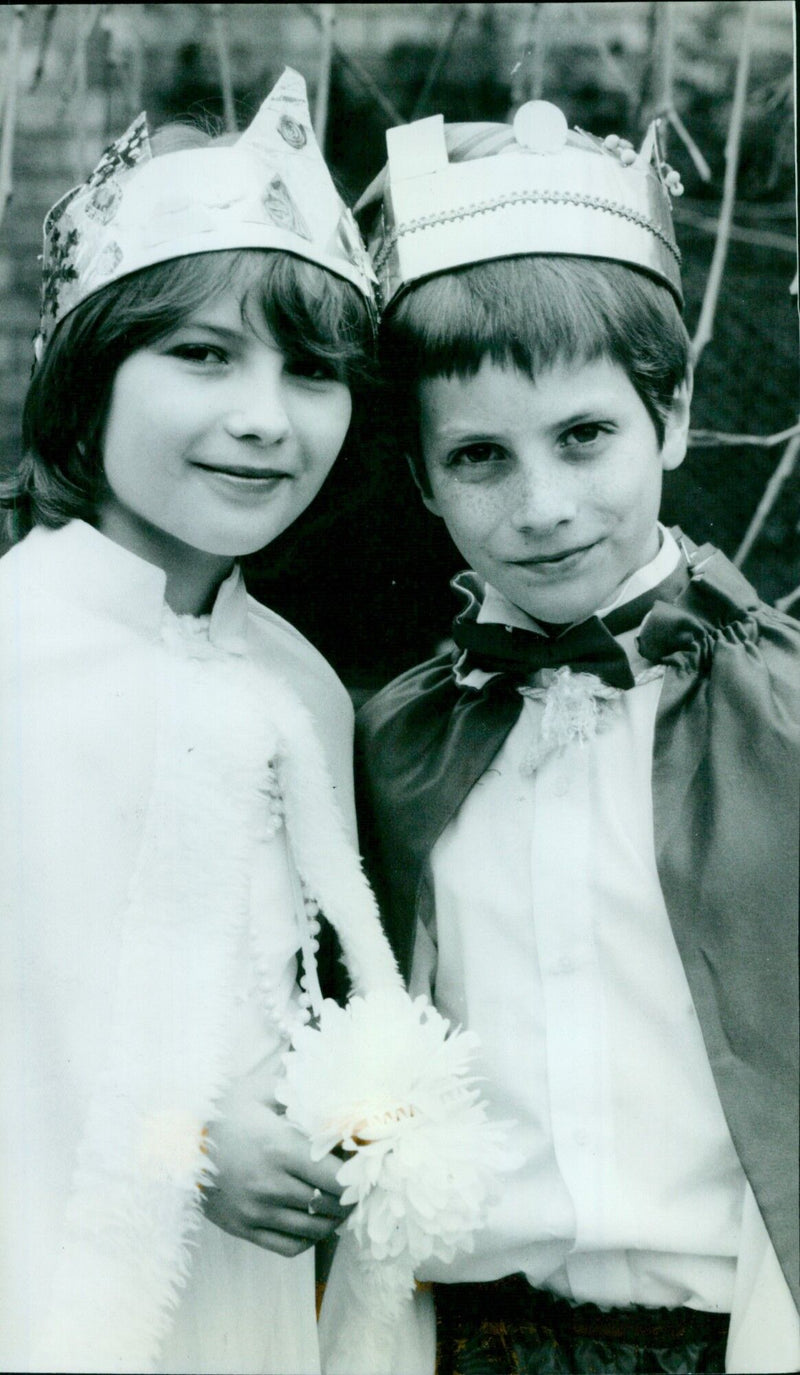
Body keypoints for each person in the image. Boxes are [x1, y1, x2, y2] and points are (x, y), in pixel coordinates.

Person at [354, 101, 800, 1374]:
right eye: (479, 457)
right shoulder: (394, 744)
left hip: (735, 1331)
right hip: (468, 1336)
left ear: (668, 416)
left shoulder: (781, 716)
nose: (540, 506)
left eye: (584, 436)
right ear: (421, 479)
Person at [0, 68, 399, 1375]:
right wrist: (175, 1135)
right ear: (89, 376)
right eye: (204, 354)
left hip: (237, 1314)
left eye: (314, 370)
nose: (261, 418)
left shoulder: (301, 687)